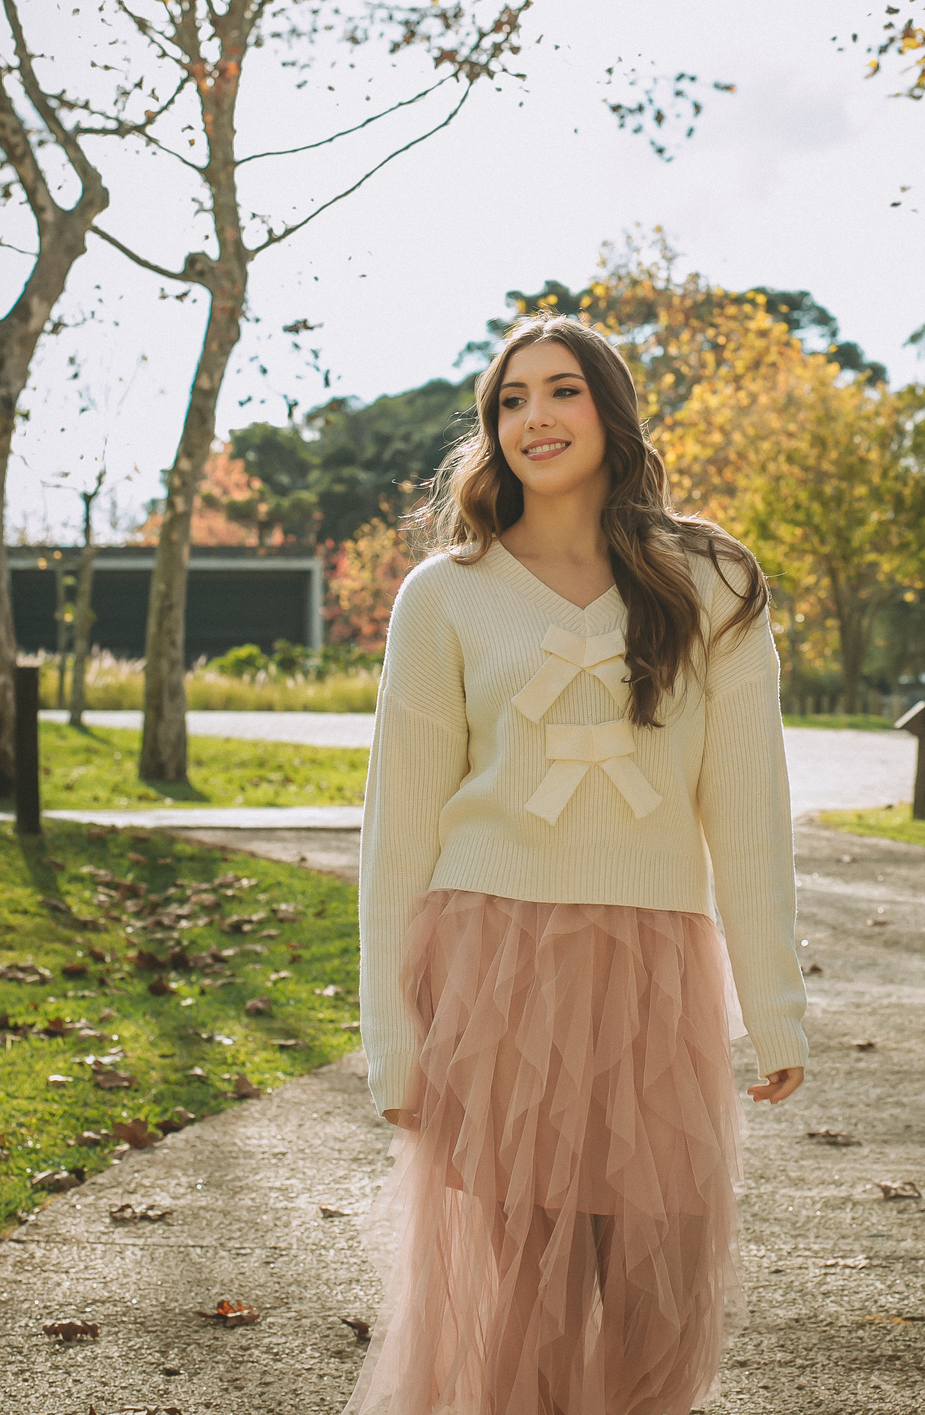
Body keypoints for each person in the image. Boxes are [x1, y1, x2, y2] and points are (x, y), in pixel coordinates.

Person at [343, 314, 807, 1415]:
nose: (534, 418)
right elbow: (396, 830)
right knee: (530, 1306)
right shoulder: (445, 594)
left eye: (561, 391)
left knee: (657, 1288)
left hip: (654, 972)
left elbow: (747, 815)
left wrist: (775, 1007)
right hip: (491, 966)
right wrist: (391, 1042)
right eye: (510, 400)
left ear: (611, 408)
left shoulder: (715, 581)